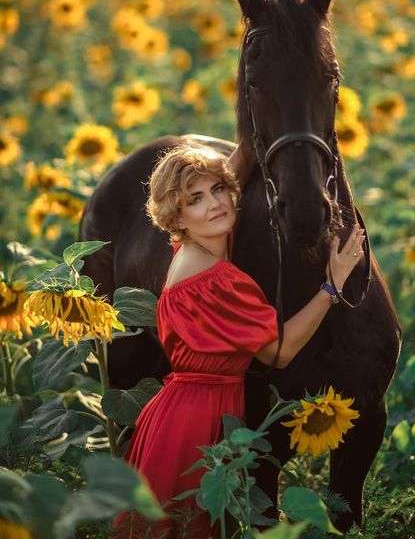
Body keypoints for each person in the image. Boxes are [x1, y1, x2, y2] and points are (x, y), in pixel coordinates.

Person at [113, 142, 365, 538]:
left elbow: (224, 186)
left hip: (177, 411)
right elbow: (279, 352)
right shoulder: (218, 280)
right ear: (175, 215)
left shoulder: (191, 250)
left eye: (218, 189)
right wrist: (331, 285)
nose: (214, 204)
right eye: (194, 200)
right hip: (197, 421)